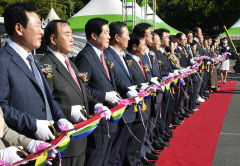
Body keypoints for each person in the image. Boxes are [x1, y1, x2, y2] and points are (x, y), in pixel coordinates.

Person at [41, 20, 111, 166]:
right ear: (53, 39)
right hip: (64, 141)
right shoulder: (46, 64)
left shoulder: (70, 63)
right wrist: (68, 111)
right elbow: (45, 102)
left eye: (72, 34)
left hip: (81, 137)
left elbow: (83, 92)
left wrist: (97, 105)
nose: (72, 39)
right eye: (67, 34)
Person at [0, 2, 73, 141]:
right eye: (38, 26)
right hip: (23, 144)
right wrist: (33, 125)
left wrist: (61, 119)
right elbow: (2, 108)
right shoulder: (3, 61)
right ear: (19, 29)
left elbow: (47, 97)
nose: (41, 31)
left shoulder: (33, 59)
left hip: (48, 141)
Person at [74, 18, 133, 166]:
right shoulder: (85, 57)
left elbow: (113, 80)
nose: (109, 36)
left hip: (110, 117)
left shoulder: (102, 54)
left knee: (106, 159)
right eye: (106, 33)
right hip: (98, 119)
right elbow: (81, 88)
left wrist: (130, 91)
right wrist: (104, 96)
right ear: (94, 36)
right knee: (96, 160)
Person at [104, 21, 139, 166]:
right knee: (114, 152)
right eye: (127, 35)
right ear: (117, 37)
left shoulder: (120, 55)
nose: (130, 38)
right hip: (117, 111)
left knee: (122, 148)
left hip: (127, 109)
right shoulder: (107, 55)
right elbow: (114, 80)